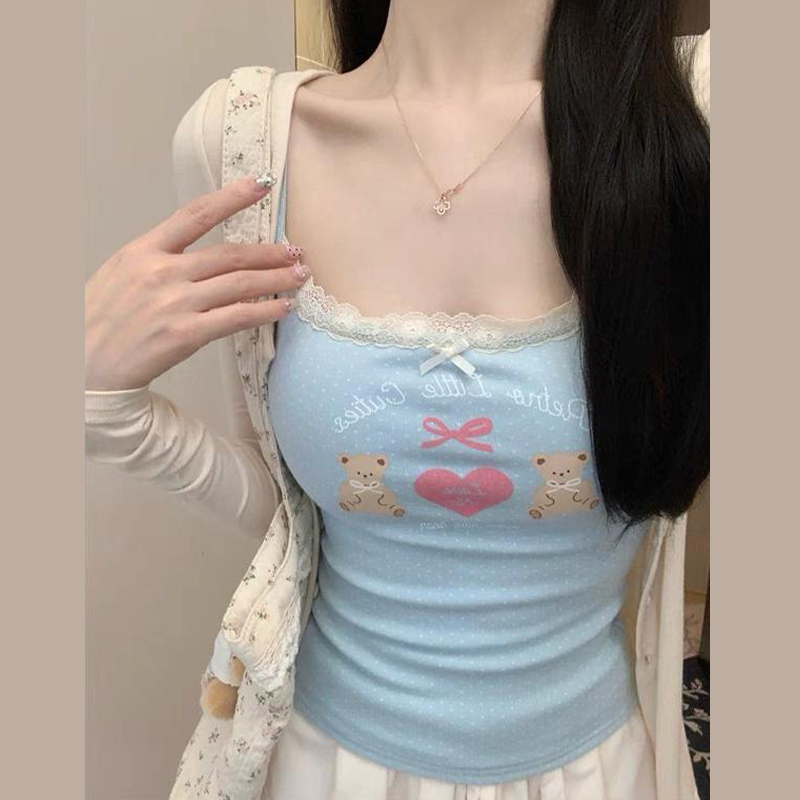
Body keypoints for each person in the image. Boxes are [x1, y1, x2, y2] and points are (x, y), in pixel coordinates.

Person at [86, 2, 710, 798]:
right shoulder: (242, 139)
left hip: (591, 770)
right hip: (326, 766)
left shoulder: (698, 113)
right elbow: (293, 506)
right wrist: (109, 415)